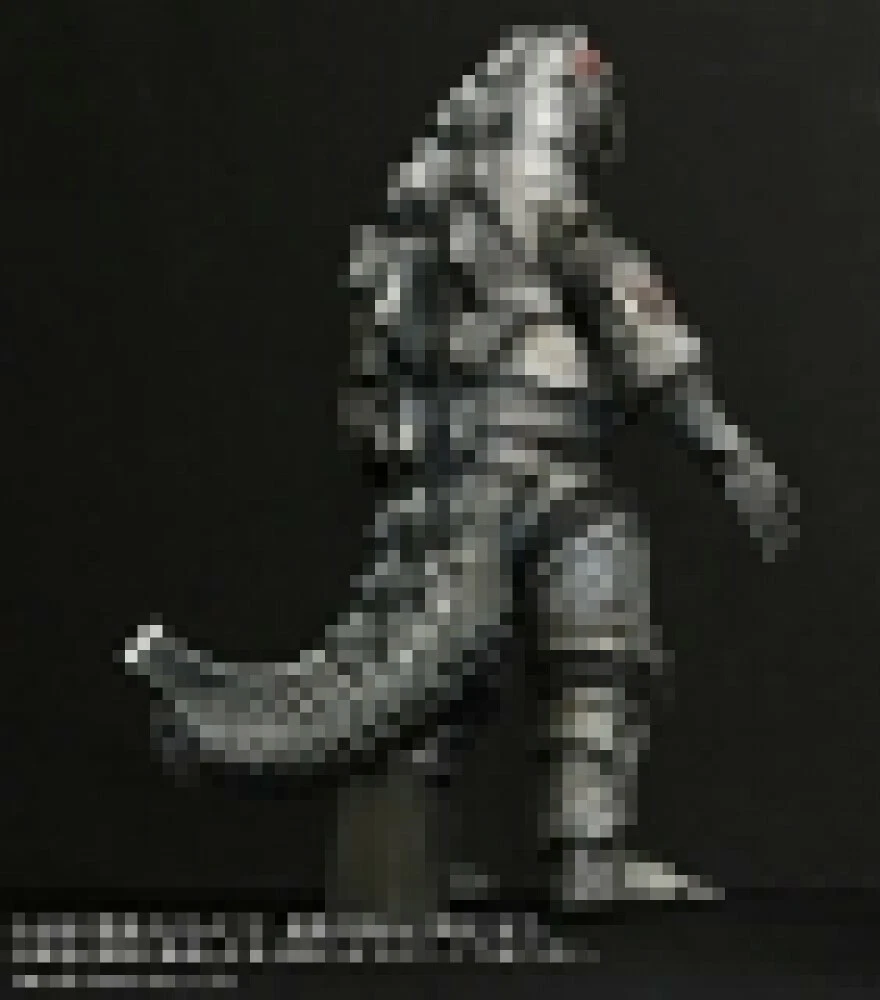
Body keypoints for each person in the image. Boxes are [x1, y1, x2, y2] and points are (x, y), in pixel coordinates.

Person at [121, 25, 796, 912]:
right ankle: (584, 855)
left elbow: (372, 389)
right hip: (543, 470)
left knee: (444, 653)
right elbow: (632, 317)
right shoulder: (542, 200)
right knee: (597, 632)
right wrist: (726, 448)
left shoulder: (424, 228)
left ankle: (409, 861)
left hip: (452, 478)